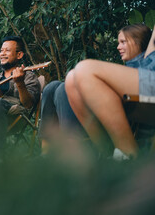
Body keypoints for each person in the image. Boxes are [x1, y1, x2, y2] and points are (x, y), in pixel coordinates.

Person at [39, 24, 152, 155]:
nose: (118, 47)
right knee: (60, 84)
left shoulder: (147, 62)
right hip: (109, 108)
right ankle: (100, 152)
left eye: (123, 42)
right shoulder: (128, 68)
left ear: (139, 41)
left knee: (76, 75)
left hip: (136, 100)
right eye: (118, 42)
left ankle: (79, 148)